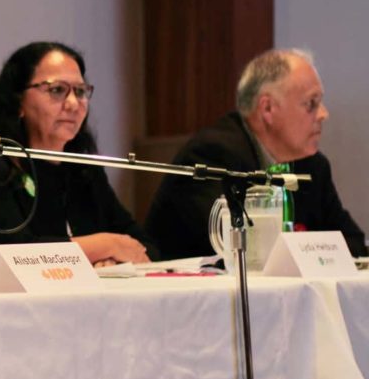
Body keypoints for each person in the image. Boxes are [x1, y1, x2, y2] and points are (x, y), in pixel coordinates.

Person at [0, 41, 157, 283]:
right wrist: (107, 245)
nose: (73, 104)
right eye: (57, 90)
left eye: (80, 91)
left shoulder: (84, 171)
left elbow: (144, 246)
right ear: (18, 101)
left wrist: (112, 258)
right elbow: (17, 256)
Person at [146, 48, 367, 259]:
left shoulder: (314, 167)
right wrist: (309, 249)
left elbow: (353, 242)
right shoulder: (213, 154)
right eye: (311, 103)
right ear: (267, 108)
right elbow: (234, 245)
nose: (323, 114)